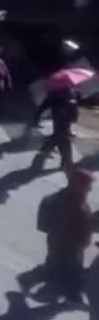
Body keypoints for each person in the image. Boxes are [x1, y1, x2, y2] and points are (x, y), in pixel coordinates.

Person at [36, 168, 93, 304]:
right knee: (71, 270)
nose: (90, 189)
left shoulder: (58, 198)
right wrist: (82, 242)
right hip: (70, 246)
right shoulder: (76, 205)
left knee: (56, 261)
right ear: (78, 185)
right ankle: (72, 295)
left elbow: (43, 220)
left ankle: (51, 277)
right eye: (88, 185)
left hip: (59, 241)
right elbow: (83, 226)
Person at [28, 83, 80, 170]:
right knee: (63, 139)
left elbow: (44, 106)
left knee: (60, 137)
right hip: (63, 119)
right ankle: (66, 163)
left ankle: (47, 150)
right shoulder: (73, 91)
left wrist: (36, 117)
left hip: (60, 119)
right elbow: (76, 104)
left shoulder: (56, 93)